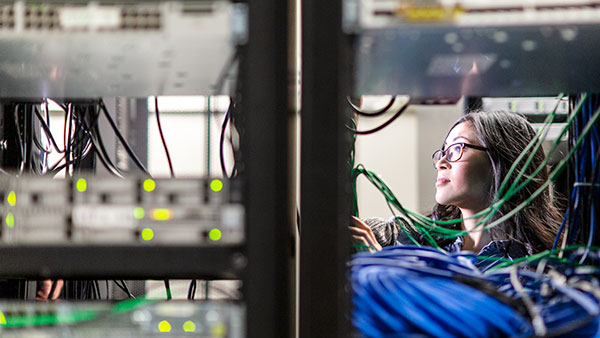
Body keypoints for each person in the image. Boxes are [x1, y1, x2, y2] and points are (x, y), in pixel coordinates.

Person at [350, 110, 563, 259]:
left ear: (503, 162)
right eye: (443, 152)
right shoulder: (402, 237)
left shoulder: (540, 267)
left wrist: (375, 269)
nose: (441, 162)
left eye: (456, 149)